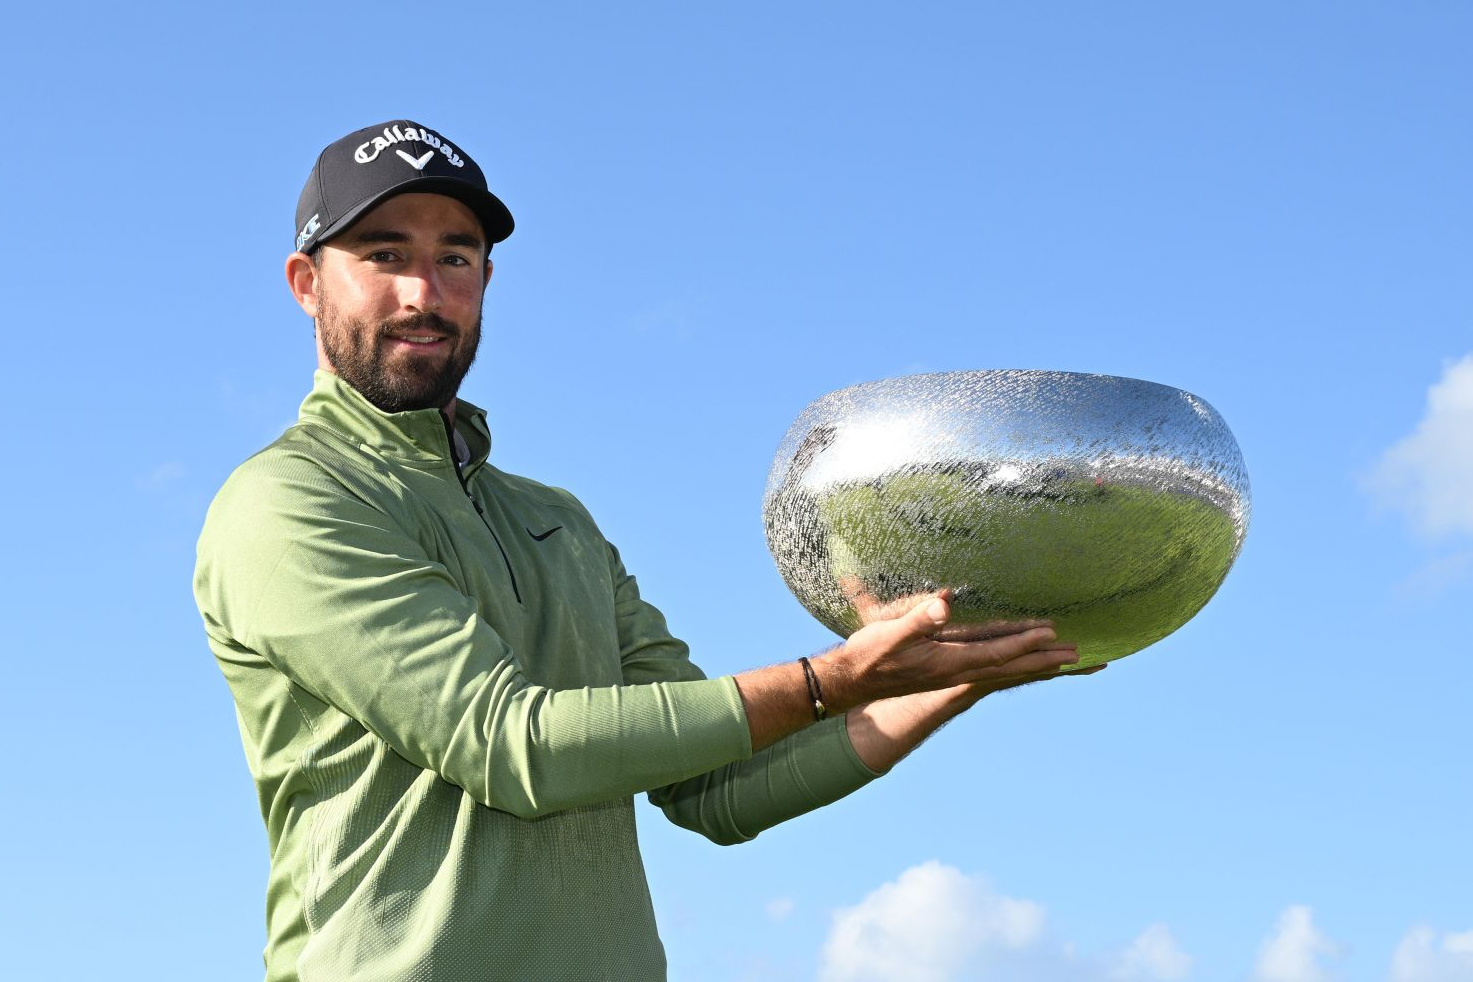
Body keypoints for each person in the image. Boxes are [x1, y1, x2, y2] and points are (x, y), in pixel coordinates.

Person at [194, 119, 1096, 982]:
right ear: (307, 283)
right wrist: (829, 680)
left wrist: (941, 676)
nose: (423, 293)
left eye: (453, 257)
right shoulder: (287, 502)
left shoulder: (556, 522)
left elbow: (719, 789)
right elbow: (514, 747)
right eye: (384, 255)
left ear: (486, 278)